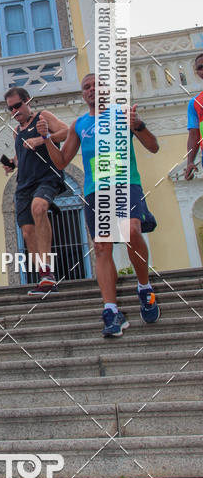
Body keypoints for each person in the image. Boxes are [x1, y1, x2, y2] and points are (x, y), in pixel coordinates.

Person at [38, 73, 161, 337]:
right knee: (102, 248)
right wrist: (47, 138)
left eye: (97, 85)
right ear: (83, 94)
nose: (92, 90)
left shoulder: (124, 114)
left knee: (131, 231)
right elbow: (61, 161)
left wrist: (138, 125)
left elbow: (153, 147)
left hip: (126, 184)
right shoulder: (79, 124)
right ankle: (111, 310)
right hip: (96, 191)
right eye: (87, 87)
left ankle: (144, 288)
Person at [1, 87, 68, 297]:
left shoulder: (43, 117)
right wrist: (12, 163)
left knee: (39, 207)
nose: (15, 111)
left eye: (17, 106)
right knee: (27, 232)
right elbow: (21, 156)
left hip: (47, 176)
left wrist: (43, 138)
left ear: (27, 101)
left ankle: (49, 273)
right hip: (24, 184)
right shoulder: (16, 132)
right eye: (11, 109)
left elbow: (67, 131)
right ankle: (43, 276)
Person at [184, 52, 203, 181]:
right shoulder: (195, 102)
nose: (202, 70)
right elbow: (194, 134)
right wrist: (190, 161)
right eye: (199, 67)